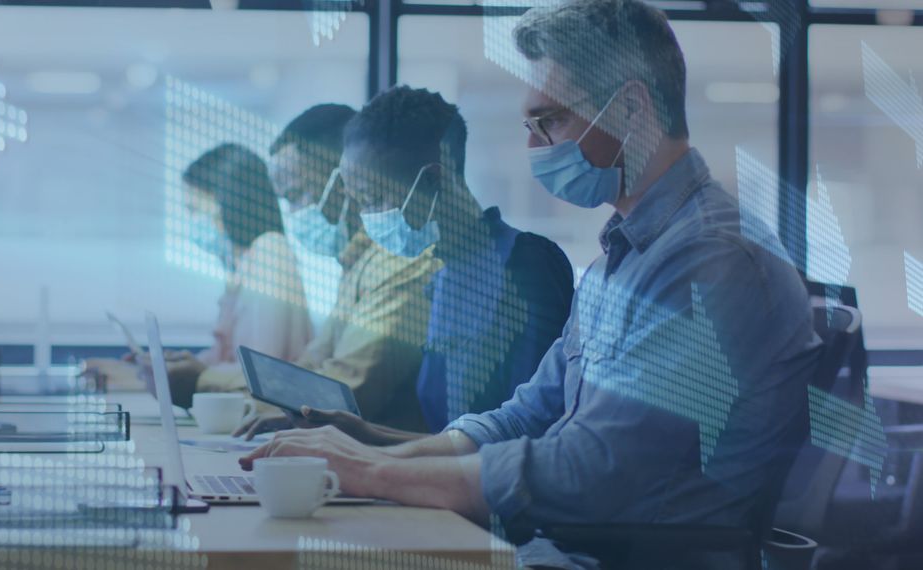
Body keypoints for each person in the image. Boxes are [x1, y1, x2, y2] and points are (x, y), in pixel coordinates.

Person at [240, 0, 820, 559]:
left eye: (551, 120)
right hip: (568, 545)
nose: (533, 146)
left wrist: (373, 471)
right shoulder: (621, 259)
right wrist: (372, 444)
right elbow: (525, 415)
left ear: (633, 109)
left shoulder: (709, 262)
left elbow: (590, 469)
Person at [240, 87, 576, 446]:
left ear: (432, 179)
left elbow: (524, 433)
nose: (366, 218)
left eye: (372, 199)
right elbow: (448, 438)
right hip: (448, 482)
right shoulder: (442, 275)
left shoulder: (525, 265)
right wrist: (357, 434)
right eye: (358, 203)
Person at [205, 104, 438, 432]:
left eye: (298, 194)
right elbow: (309, 369)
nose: (294, 213)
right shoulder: (356, 262)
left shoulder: (400, 261)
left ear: (345, 180)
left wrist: (204, 382)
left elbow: (345, 390)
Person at [85, 144, 313, 408]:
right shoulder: (245, 265)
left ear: (227, 202)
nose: (192, 225)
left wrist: (167, 375)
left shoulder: (270, 253)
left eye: (194, 210)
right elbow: (224, 363)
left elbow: (261, 372)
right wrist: (146, 373)